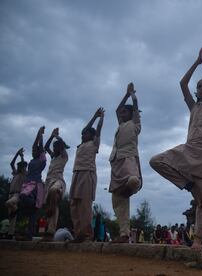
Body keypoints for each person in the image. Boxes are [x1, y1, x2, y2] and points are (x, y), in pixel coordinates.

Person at [150, 48, 202, 250]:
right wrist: (195, 63)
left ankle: (199, 239)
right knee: (156, 161)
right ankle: (186, 184)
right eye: (199, 86)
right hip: (190, 148)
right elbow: (182, 84)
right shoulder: (193, 107)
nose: (201, 88)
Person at [109, 82, 142, 243]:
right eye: (121, 113)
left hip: (129, 158)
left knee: (134, 180)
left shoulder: (135, 124)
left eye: (124, 112)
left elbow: (135, 107)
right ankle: (124, 233)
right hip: (116, 161)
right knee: (117, 199)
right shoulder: (121, 125)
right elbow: (116, 109)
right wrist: (125, 94)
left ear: (131, 114)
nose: (121, 114)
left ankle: (131, 188)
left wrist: (132, 96)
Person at [69, 107, 104, 243]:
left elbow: (98, 130)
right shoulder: (81, 145)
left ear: (92, 135)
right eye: (83, 134)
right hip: (76, 174)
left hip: (87, 173)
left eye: (86, 134)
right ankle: (78, 233)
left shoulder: (94, 144)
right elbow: (85, 129)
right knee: (74, 204)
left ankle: (87, 235)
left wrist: (100, 118)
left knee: (84, 205)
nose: (83, 135)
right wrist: (93, 116)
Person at [40, 128, 69, 242]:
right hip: (48, 181)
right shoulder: (53, 157)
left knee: (53, 191)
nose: (54, 149)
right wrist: (52, 136)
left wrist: (58, 137)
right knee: (51, 206)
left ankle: (50, 231)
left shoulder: (64, 157)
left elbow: (61, 146)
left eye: (56, 147)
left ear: (60, 148)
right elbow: (46, 147)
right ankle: (50, 232)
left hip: (58, 181)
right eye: (54, 147)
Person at [18, 126, 47, 241]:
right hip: (27, 185)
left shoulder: (42, 161)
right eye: (33, 150)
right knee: (31, 212)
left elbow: (41, 148)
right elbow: (35, 145)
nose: (33, 151)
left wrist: (41, 136)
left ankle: (29, 234)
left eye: (36, 150)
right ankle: (27, 234)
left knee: (23, 197)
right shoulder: (32, 160)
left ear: (40, 153)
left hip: (35, 186)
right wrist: (38, 133)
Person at [5, 147, 27, 239]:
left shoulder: (23, 174)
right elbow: (11, 163)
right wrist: (17, 154)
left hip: (17, 194)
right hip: (10, 194)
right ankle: (10, 234)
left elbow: (23, 165)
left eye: (19, 167)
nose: (18, 167)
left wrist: (21, 156)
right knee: (11, 217)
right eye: (18, 167)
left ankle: (16, 210)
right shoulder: (15, 173)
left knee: (9, 203)